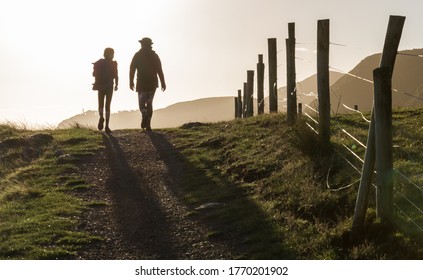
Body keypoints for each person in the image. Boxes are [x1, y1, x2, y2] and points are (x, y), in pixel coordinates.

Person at [129, 37, 166, 131]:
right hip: (152, 83)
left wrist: (131, 81)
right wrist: (163, 82)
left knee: (141, 103)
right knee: (149, 103)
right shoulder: (154, 56)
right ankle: (148, 124)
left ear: (142, 44)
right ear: (150, 45)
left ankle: (144, 114)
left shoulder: (137, 55)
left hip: (141, 83)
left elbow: (132, 69)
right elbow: (159, 70)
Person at [92, 47, 119, 133]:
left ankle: (101, 117)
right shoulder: (113, 64)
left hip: (100, 86)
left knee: (100, 104)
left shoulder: (99, 63)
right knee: (108, 106)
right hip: (109, 86)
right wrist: (117, 84)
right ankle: (107, 126)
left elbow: (93, 74)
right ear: (111, 55)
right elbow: (116, 75)